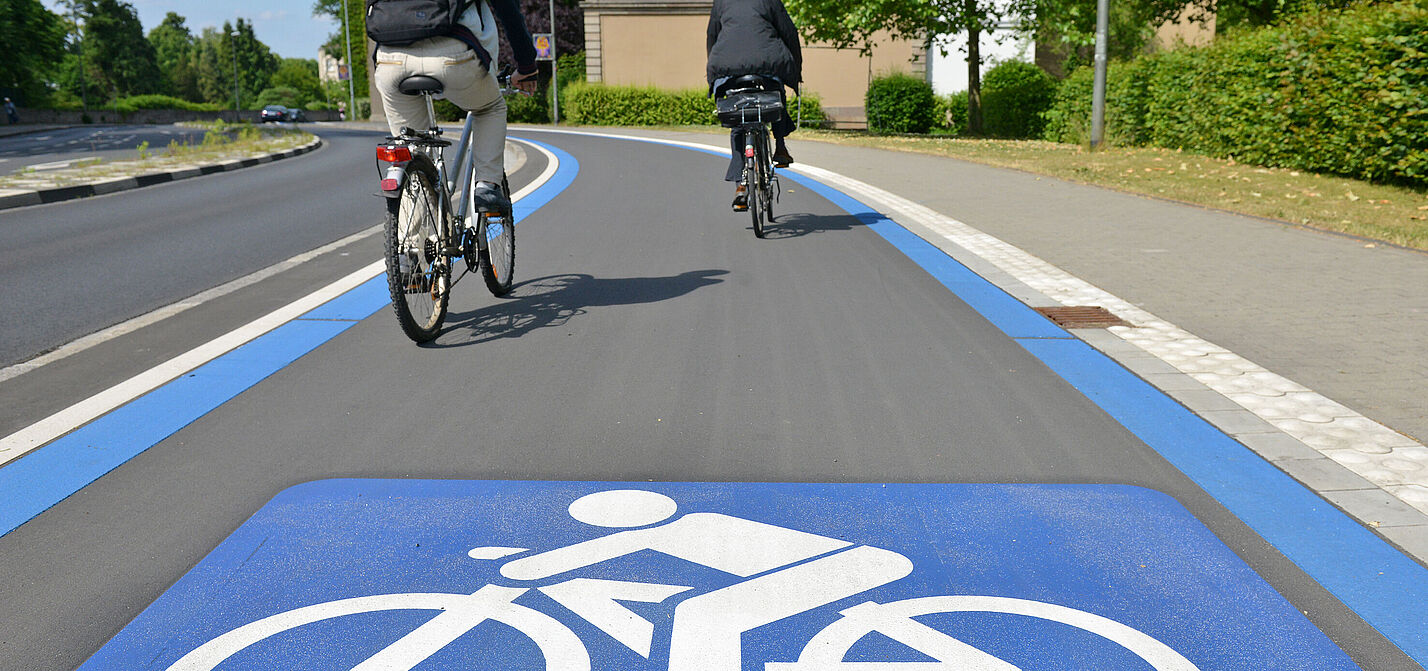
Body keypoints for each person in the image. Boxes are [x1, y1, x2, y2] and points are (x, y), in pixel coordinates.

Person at [371, 0, 539, 212]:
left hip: (390, 60)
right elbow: (507, 8)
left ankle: (412, 242)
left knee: (411, 154)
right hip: (453, 55)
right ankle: (487, 186)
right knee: (490, 107)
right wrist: (526, 66)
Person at [706, 0, 802, 211]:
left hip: (726, 68)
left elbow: (712, 35)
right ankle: (780, 147)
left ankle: (741, 185)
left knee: (737, 114)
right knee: (776, 95)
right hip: (767, 64)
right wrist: (796, 70)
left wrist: (714, 70)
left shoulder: (721, 2)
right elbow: (789, 33)